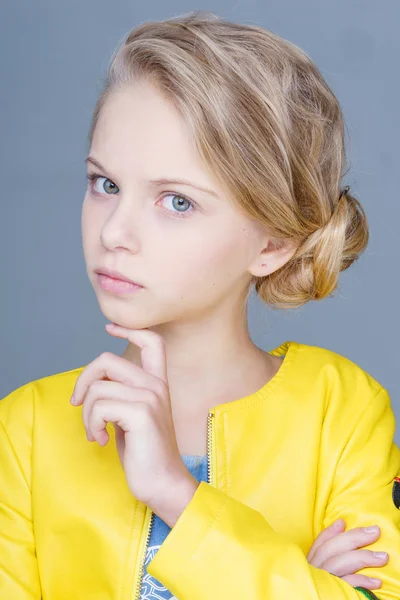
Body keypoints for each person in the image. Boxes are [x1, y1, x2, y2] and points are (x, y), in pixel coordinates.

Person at [1, 9, 399, 600]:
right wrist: (301, 581)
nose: (115, 232)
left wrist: (175, 493)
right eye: (105, 184)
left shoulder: (339, 413)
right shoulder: (25, 432)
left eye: (177, 202)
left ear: (272, 243)